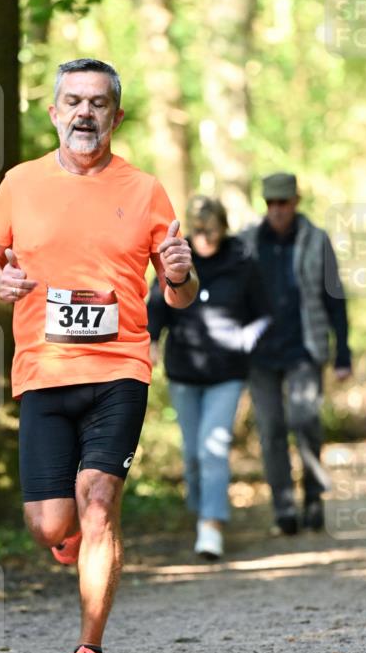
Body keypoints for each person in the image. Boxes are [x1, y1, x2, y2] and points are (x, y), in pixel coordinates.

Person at [0, 58, 197, 653]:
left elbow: (179, 296)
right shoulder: (20, 183)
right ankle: (66, 543)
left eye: (98, 104)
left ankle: (89, 651)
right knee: (50, 523)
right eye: (73, 101)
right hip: (42, 371)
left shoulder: (145, 190)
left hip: (120, 368)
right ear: (54, 112)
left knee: (99, 501)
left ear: (116, 117)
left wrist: (178, 273)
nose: (84, 114)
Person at [148, 196, 270, 560]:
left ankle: (211, 525)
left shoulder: (243, 262)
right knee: (192, 453)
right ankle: (199, 509)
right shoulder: (178, 258)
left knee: (212, 448)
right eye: (197, 231)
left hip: (227, 373)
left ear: (223, 228)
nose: (203, 238)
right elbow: (157, 306)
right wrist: (151, 341)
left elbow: (264, 313)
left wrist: (247, 339)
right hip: (184, 371)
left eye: (210, 231)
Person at [241, 172, 352, 535]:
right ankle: (283, 509)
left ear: (295, 202)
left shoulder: (317, 240)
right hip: (260, 354)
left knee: (305, 422)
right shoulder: (247, 242)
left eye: (283, 203)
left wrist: (343, 354)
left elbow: (335, 297)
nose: (277, 210)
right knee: (271, 429)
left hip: (305, 348)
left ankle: (314, 498)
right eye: (270, 203)